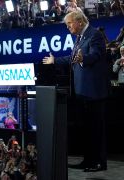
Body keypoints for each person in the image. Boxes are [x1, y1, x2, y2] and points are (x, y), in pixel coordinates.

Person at [42, 11, 109, 172]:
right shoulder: (79, 38)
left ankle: (99, 162)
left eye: (69, 24)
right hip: (82, 92)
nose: (68, 27)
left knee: (96, 130)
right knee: (87, 130)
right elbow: (73, 57)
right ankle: (88, 160)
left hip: (94, 92)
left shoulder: (95, 35)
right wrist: (54, 61)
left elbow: (96, 55)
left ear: (79, 21)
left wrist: (83, 58)